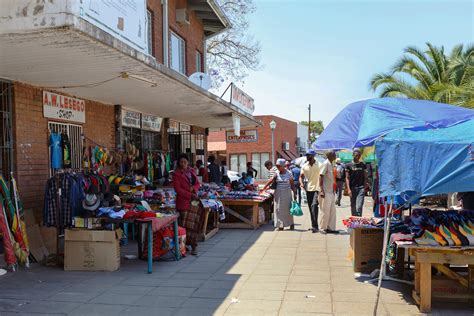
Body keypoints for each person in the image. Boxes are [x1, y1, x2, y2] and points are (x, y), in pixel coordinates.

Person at [173, 154, 201, 255]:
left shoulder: (192, 172)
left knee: (194, 225)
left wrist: (194, 189)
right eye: (181, 162)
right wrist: (190, 194)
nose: (183, 164)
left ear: (188, 162)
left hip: (193, 203)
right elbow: (178, 190)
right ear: (179, 163)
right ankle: (183, 246)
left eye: (185, 162)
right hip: (183, 201)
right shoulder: (176, 174)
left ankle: (194, 246)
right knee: (184, 225)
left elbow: (198, 183)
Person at [262, 158, 296, 231]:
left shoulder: (289, 173)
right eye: (277, 166)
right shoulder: (276, 173)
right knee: (278, 209)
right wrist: (264, 188)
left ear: (283, 166)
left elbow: (292, 184)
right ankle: (280, 226)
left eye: (279, 166)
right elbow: (270, 180)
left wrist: (295, 194)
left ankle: (291, 224)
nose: (277, 167)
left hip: (287, 194)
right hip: (278, 194)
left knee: (288, 209)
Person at [300, 149, 320, 233]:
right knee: (310, 207)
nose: (307, 157)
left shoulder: (320, 165)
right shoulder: (304, 166)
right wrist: (301, 183)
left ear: (313, 156)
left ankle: (315, 226)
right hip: (308, 189)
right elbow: (301, 176)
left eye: (308, 155)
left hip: (317, 188)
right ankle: (314, 225)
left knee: (314, 206)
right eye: (306, 155)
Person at [319, 152, 338, 234]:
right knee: (325, 211)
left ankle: (331, 227)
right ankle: (323, 228)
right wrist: (321, 190)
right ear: (329, 155)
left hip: (331, 191)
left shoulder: (331, 164)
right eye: (334, 154)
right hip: (325, 191)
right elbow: (321, 176)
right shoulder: (325, 163)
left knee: (332, 211)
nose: (335, 155)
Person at [345, 149, 368, 217]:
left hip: (361, 188)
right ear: (353, 155)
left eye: (358, 156)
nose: (357, 157)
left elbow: (365, 176)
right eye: (355, 156)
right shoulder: (348, 165)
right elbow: (347, 178)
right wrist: (348, 189)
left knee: (359, 206)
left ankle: (358, 223)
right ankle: (354, 221)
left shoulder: (363, 165)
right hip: (352, 188)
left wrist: (365, 185)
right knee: (353, 206)